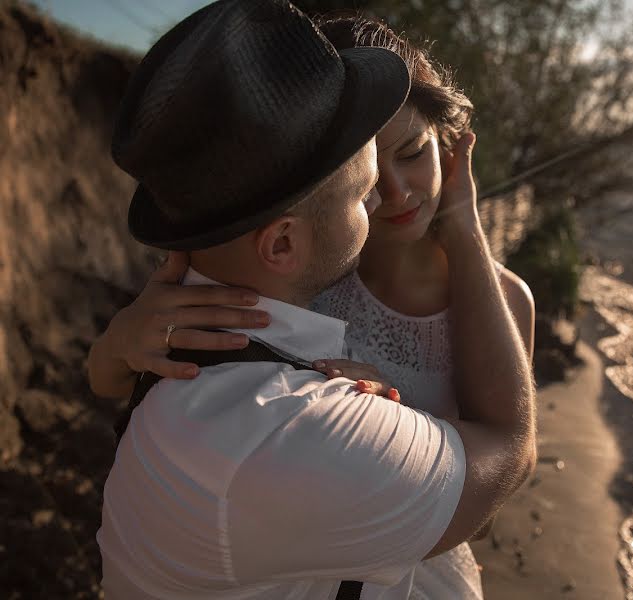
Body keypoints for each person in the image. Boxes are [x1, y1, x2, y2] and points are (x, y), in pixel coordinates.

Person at [94, 2, 536, 599]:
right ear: (284, 239)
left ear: (452, 145)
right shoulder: (297, 295)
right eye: (366, 180)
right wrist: (118, 345)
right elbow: (505, 454)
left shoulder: (270, 290)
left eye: (412, 153)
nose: (391, 194)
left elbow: (480, 523)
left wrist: (465, 232)